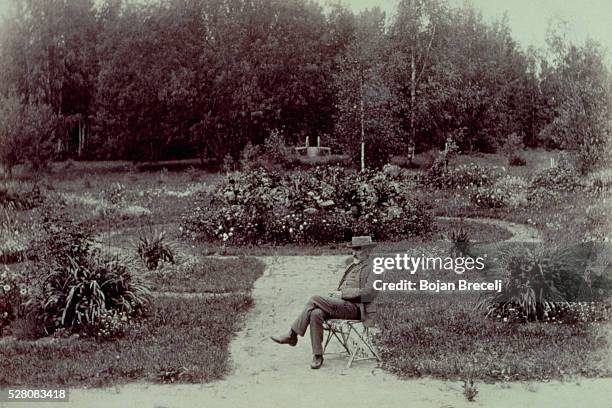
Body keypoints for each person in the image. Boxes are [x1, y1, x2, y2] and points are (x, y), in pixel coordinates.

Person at [271, 236, 378, 369]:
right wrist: (336, 294)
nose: (354, 253)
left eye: (357, 250)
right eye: (353, 249)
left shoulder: (375, 267)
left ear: (367, 251)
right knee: (315, 313)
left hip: (358, 309)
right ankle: (317, 355)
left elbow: (369, 293)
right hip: (342, 305)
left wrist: (343, 294)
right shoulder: (352, 266)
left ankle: (292, 334)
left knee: (315, 298)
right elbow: (343, 287)